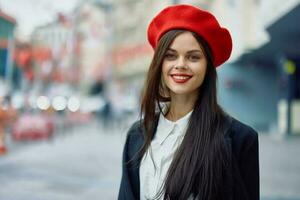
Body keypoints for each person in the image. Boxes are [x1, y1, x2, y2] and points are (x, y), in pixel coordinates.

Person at [118, 4, 259, 200]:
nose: (181, 64)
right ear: (160, 63)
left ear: (207, 66)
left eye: (193, 57)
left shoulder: (240, 139)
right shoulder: (137, 134)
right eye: (170, 56)